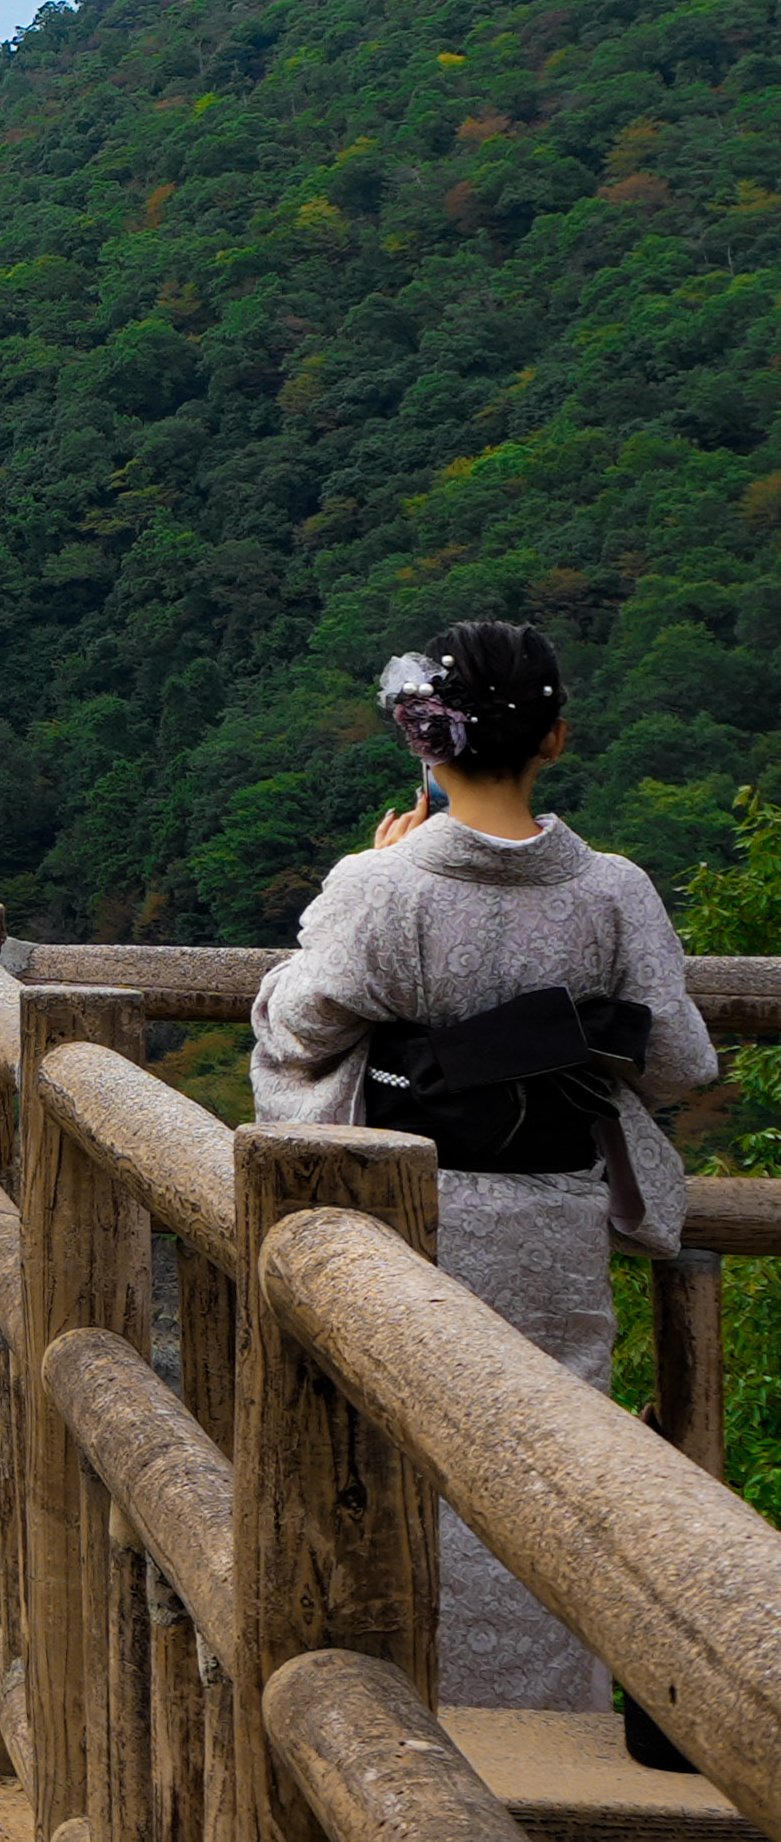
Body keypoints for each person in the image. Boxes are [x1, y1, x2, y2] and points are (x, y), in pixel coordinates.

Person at [250, 620, 716, 1713]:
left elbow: (297, 1026)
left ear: (428, 747)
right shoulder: (614, 891)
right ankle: (553, 1728)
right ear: (553, 739)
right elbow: (682, 1061)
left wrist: (350, 878)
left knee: (401, 1459)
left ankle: (392, 1723)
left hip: (405, 1221)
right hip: (552, 1220)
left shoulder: (387, 887)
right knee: (556, 1476)